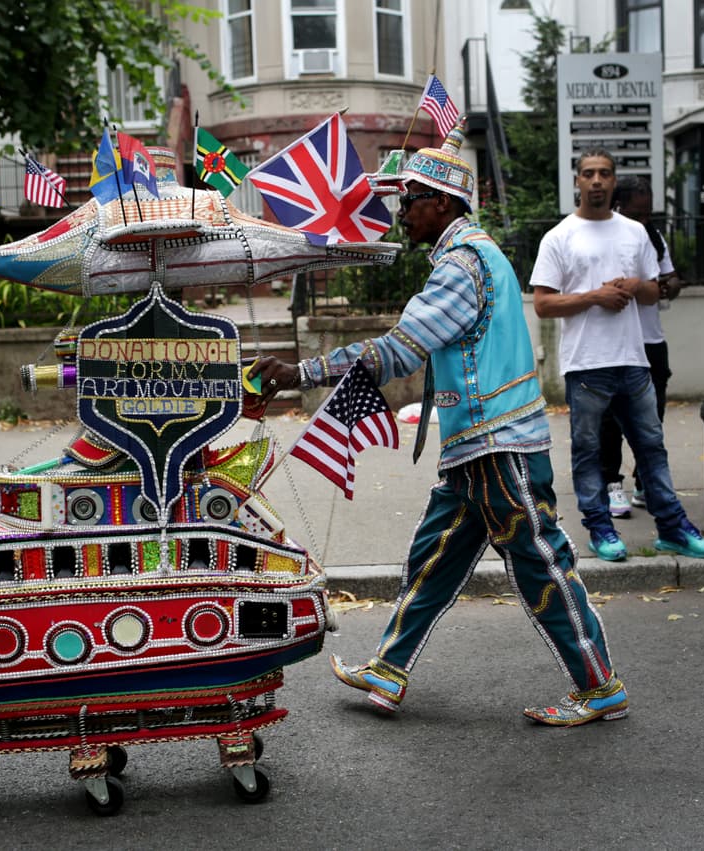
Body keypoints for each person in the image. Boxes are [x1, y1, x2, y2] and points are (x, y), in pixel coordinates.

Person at [250, 121, 628, 728]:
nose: (401, 213)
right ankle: (388, 668)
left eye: (410, 201)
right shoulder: (470, 256)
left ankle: (600, 686)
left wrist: (302, 371)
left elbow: (403, 347)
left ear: (443, 203)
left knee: (540, 562)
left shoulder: (463, 262)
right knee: (434, 558)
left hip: (498, 442)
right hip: (476, 445)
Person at [531, 150, 704, 563]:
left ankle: (672, 528)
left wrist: (634, 285)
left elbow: (654, 291)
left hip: (634, 360)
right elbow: (543, 304)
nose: (597, 181)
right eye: (589, 174)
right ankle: (600, 529)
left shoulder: (635, 233)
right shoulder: (559, 236)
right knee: (589, 452)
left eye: (605, 174)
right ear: (577, 181)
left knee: (652, 447)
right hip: (586, 365)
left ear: (614, 181)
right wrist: (594, 296)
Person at [598, 177, 681, 516]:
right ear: (618, 208)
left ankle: (644, 481)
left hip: (651, 341)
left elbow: (670, 280)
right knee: (610, 419)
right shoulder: (606, 239)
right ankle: (610, 482)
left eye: (648, 213)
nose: (644, 221)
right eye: (637, 213)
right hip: (615, 342)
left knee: (652, 416)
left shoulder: (654, 238)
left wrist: (665, 287)